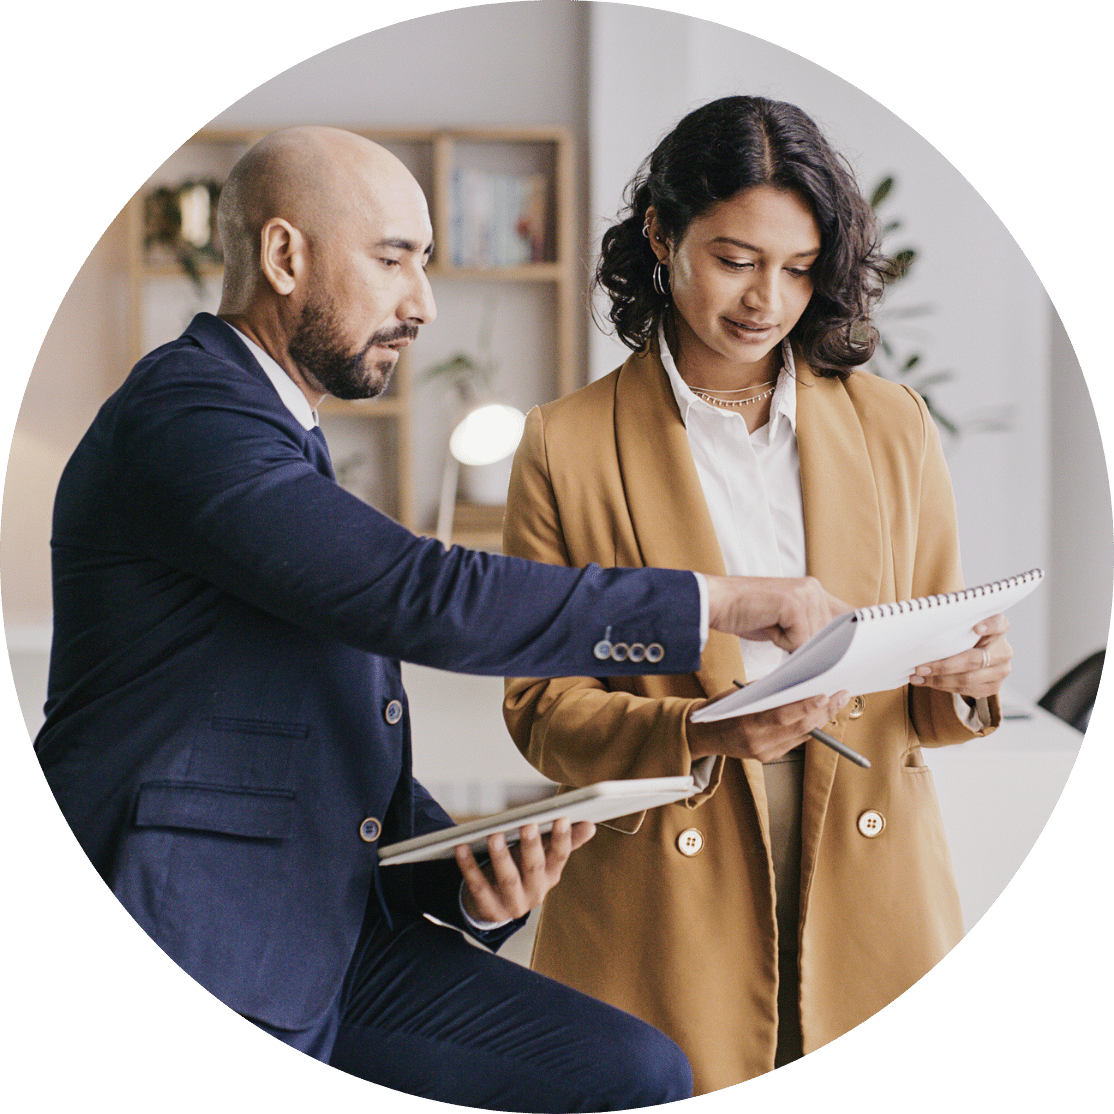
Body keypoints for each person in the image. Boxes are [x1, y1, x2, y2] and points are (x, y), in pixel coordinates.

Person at [35, 125, 849, 1112]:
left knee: (633, 1071)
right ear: (284, 256)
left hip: (333, 930)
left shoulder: (274, 431)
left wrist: (464, 874)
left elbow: (310, 732)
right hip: (189, 930)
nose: (421, 304)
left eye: (423, 263)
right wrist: (717, 599)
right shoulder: (188, 418)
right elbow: (416, 593)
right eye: (391, 260)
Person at [502, 96, 1013, 1093]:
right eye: (735, 259)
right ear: (661, 233)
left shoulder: (893, 426)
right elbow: (541, 712)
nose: (765, 300)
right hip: (667, 889)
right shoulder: (564, 443)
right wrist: (702, 729)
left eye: (797, 268)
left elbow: (937, 680)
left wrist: (969, 675)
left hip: (868, 874)